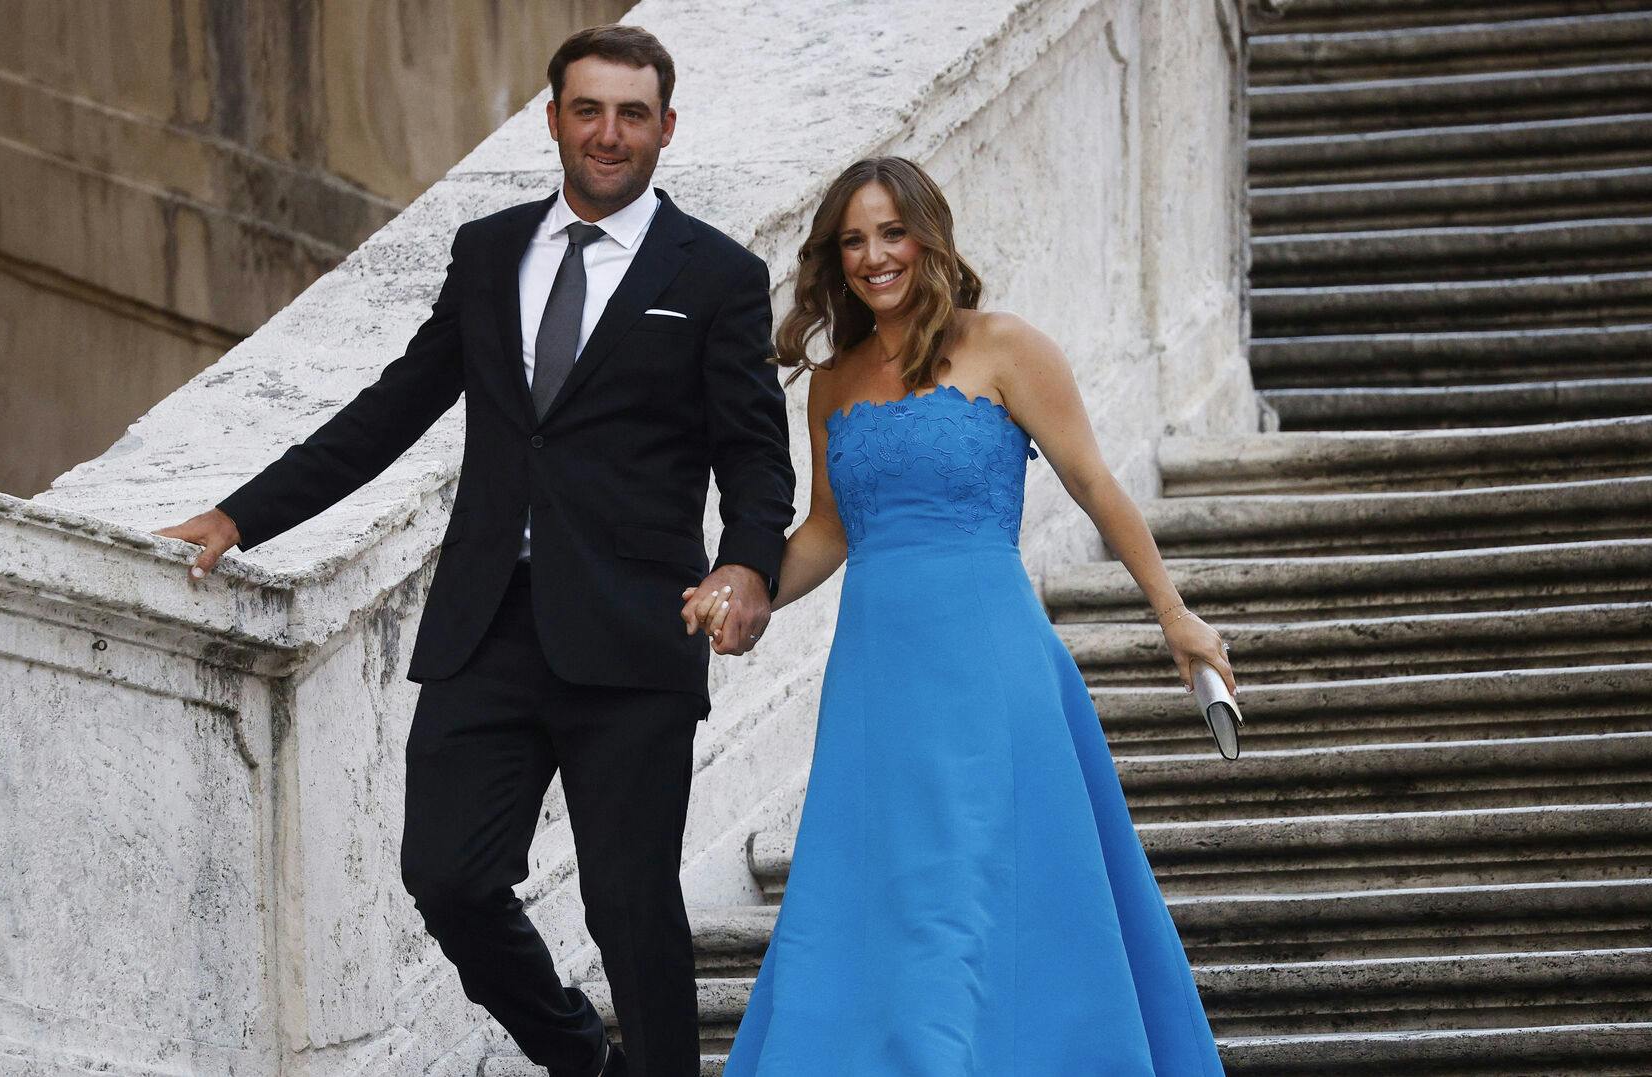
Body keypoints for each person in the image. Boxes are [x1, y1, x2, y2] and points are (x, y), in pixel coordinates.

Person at [156, 25, 795, 1077]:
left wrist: (747, 566)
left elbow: (755, 457)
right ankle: (582, 1057)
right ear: (552, 120)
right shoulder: (490, 250)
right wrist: (239, 517)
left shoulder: (718, 275)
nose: (608, 133)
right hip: (485, 627)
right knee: (447, 877)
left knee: (629, 905)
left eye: (633, 114)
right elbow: (392, 410)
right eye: (587, 109)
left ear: (666, 129)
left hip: (636, 638)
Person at [694, 157, 1232, 1074]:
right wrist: (745, 586)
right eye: (854, 240)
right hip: (877, 676)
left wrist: (1175, 617)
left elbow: (1096, 485)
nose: (874, 257)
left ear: (929, 236)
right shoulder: (832, 384)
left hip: (990, 662)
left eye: (891, 233)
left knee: (978, 889)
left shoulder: (1006, 346)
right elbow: (829, 529)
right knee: (893, 892)